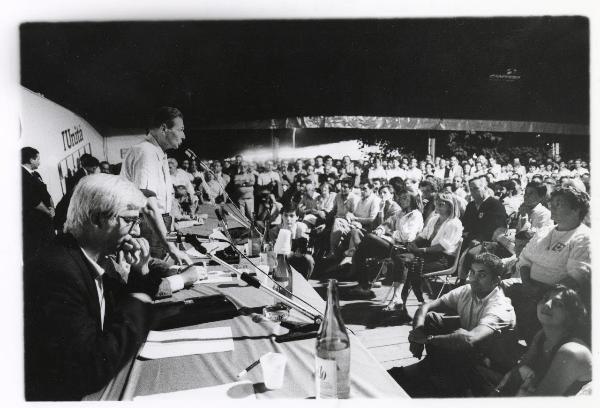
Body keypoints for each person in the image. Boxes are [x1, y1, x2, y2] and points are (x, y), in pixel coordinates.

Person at [24, 174, 202, 401]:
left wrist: (142, 271)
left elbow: (121, 314)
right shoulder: (55, 273)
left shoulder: (97, 259)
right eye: (129, 220)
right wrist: (140, 289)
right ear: (98, 219)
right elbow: (93, 368)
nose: (137, 232)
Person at [389, 253, 518, 397]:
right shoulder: (467, 290)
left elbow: (468, 339)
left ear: (496, 280)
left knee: (460, 339)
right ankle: (434, 371)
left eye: (482, 275)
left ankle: (440, 379)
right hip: (467, 354)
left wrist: (426, 339)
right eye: (472, 273)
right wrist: (417, 333)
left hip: (487, 366)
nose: (473, 279)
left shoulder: (500, 306)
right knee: (431, 319)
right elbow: (426, 306)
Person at [505, 185, 591, 342]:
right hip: (529, 286)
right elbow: (524, 259)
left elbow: (575, 277)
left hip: (557, 296)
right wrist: (527, 284)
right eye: (552, 202)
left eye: (559, 203)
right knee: (495, 289)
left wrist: (539, 294)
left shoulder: (584, 237)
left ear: (576, 209)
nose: (552, 206)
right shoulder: (545, 230)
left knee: (528, 307)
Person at [120, 106, 191, 264]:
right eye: (180, 130)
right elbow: (148, 206)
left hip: (157, 224)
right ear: (164, 128)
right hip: (147, 225)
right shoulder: (147, 152)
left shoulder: (158, 152)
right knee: (151, 276)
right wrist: (171, 248)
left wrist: (171, 233)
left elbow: (162, 204)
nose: (184, 136)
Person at [492, 285, 591, 396]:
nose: (547, 304)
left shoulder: (572, 352)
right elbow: (516, 372)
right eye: (545, 298)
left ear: (572, 316)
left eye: (558, 304)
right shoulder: (542, 336)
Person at [346, 190, 423, 300]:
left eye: (406, 198)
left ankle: (363, 284)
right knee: (360, 249)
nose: (402, 200)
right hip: (392, 244)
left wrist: (391, 234)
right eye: (401, 198)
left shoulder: (416, 215)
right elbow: (388, 222)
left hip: (403, 249)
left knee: (368, 238)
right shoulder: (401, 212)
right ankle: (364, 286)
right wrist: (380, 230)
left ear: (413, 200)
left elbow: (408, 237)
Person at [395, 193, 463, 315]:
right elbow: (423, 235)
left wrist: (420, 250)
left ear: (450, 206)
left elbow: (442, 246)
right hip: (429, 254)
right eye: (436, 203)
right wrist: (413, 243)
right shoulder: (434, 219)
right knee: (402, 259)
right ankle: (410, 301)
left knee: (411, 266)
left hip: (444, 259)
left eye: (441, 204)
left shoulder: (454, 223)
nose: (437, 206)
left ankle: (406, 301)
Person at [22, 147, 55, 260]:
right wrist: (48, 212)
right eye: (38, 159)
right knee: (38, 253)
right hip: (35, 223)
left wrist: (52, 208)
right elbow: (33, 200)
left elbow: (46, 194)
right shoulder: (22, 176)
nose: (39, 162)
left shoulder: (36, 175)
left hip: (46, 219)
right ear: (31, 160)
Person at [268, 201, 315, 279]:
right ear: (282, 216)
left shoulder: (302, 228)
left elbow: (309, 248)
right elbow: (273, 254)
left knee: (309, 259)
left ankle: (305, 282)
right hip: (280, 260)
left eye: (291, 216)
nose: (288, 219)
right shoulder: (274, 231)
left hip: (297, 258)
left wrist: (303, 252)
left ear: (297, 217)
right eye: (285, 215)